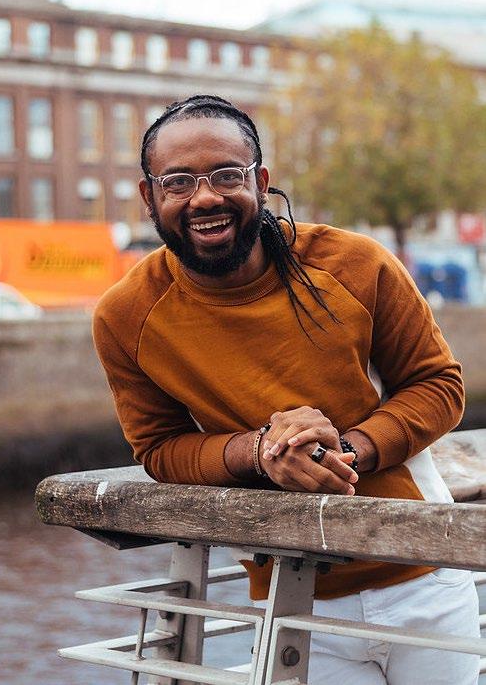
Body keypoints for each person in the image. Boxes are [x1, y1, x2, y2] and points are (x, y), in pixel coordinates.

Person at [93, 95, 479, 684]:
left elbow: (438, 384)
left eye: (227, 174)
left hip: (423, 572)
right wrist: (261, 450)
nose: (205, 197)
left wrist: (346, 451)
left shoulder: (355, 264)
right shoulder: (126, 315)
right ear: (149, 197)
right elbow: (159, 448)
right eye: (178, 182)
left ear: (261, 181)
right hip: (287, 595)